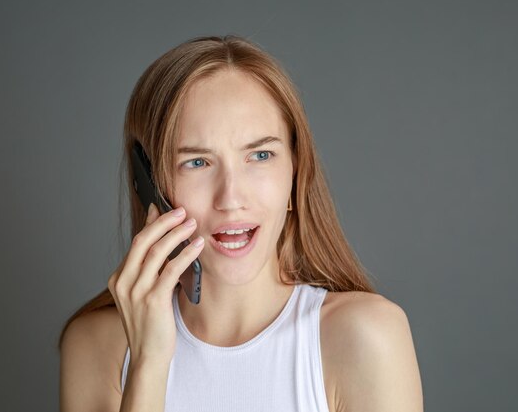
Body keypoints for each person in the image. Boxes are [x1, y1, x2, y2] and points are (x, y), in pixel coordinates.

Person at [58, 34, 423, 412]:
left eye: (261, 155)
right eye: (197, 162)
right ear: (149, 184)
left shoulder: (365, 337)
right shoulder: (97, 346)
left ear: (295, 172)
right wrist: (148, 364)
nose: (231, 198)